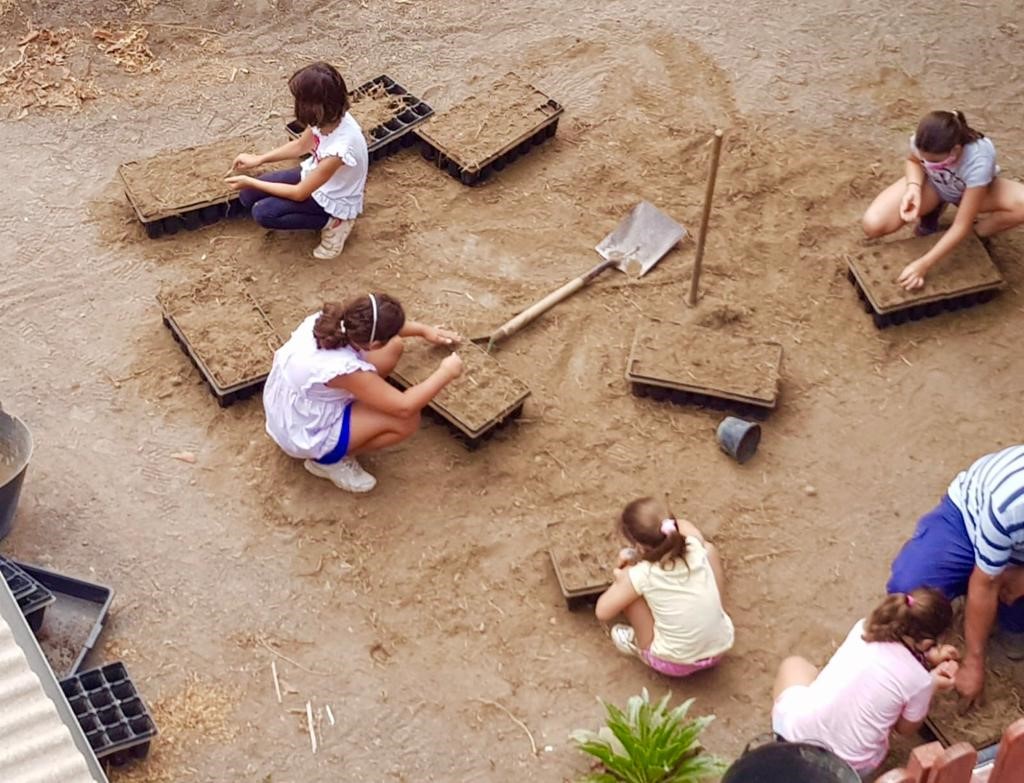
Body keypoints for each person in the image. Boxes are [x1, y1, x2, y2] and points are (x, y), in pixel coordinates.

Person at [263, 293, 462, 493]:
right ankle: (327, 461)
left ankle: (360, 409)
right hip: (301, 430)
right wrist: (446, 372)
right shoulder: (344, 370)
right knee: (405, 421)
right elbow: (405, 406)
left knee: (393, 347)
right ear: (373, 343)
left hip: (293, 401)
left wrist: (423, 330)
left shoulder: (331, 321)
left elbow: (383, 329)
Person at [887, 444, 1024, 707]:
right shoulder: (1012, 504)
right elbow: (985, 584)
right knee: (910, 589)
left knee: (1015, 635)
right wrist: (974, 661)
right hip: (967, 523)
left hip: (1016, 550)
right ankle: (962, 579)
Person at [772, 589, 959, 777]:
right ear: (927, 643)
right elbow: (904, 729)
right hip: (848, 766)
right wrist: (932, 684)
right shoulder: (921, 680)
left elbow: (900, 655)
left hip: (795, 737)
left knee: (794, 665)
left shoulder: (864, 629)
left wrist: (928, 655)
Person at [861, 110, 1024, 290]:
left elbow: (961, 224)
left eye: (936, 161)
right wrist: (913, 188)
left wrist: (923, 265)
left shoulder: (979, 159)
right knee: (873, 224)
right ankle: (934, 209)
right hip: (935, 186)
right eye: (926, 160)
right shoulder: (924, 139)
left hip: (971, 193)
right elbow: (913, 162)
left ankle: (975, 238)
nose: (929, 164)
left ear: (955, 149)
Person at [227, 62, 369, 260]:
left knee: (264, 213)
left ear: (313, 106)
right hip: (314, 176)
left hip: (333, 197)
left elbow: (299, 193)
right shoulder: (328, 118)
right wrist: (259, 160)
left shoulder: (340, 150)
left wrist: (251, 180)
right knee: (248, 196)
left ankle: (335, 223)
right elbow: (301, 146)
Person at [594, 496, 734, 677]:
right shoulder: (694, 546)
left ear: (640, 547)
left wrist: (622, 576)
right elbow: (685, 525)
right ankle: (712, 615)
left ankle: (638, 644)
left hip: (674, 663)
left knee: (631, 597)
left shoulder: (643, 574)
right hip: (719, 649)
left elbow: (602, 611)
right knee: (710, 551)